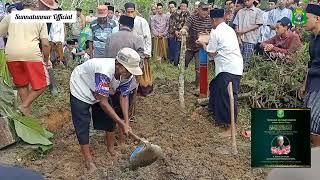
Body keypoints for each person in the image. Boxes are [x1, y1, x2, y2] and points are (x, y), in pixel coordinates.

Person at [70, 48, 142, 171]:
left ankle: (111, 149)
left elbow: (124, 97)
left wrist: (126, 122)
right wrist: (121, 123)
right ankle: (89, 161)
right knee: (82, 123)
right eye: (128, 70)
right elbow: (103, 102)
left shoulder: (127, 75)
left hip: (101, 91)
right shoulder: (104, 70)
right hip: (82, 86)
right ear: (119, 65)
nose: (130, 73)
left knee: (110, 119)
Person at [197, 8, 243, 137]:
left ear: (213, 20)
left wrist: (203, 45)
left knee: (228, 97)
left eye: (211, 21)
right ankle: (215, 115)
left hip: (228, 68)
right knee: (215, 87)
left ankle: (231, 128)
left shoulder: (216, 32)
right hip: (235, 65)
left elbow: (211, 53)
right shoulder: (229, 29)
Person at [0, 0, 50, 116]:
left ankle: (27, 116)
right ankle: (24, 106)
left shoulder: (11, 16)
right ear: (35, 5)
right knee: (44, 83)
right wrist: (46, 60)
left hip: (11, 54)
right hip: (31, 54)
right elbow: (46, 44)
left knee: (22, 84)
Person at [299, 3, 320, 146]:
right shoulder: (312, 38)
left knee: (315, 118)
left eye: (306, 18)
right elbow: (311, 63)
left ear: (317, 19)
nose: (303, 22)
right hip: (313, 81)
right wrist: (304, 84)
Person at [180, 2, 212, 88]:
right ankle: (181, 82)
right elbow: (186, 26)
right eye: (203, 10)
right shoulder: (192, 18)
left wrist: (208, 35)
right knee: (182, 64)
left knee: (200, 67)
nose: (205, 12)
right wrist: (184, 30)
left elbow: (213, 33)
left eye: (206, 10)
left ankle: (199, 86)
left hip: (201, 47)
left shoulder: (210, 20)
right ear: (198, 9)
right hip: (190, 46)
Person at [125, 2, 153, 96]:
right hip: (130, 49)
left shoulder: (142, 21)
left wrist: (147, 51)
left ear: (135, 11)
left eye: (132, 11)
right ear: (125, 12)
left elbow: (147, 36)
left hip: (142, 49)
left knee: (143, 69)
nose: (130, 14)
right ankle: (132, 89)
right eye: (128, 12)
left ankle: (145, 89)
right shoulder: (123, 21)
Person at [233, 0, 263, 68]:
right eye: (245, 0)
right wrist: (238, 35)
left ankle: (244, 75)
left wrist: (243, 31)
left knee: (247, 61)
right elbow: (236, 24)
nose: (246, 2)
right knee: (237, 59)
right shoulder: (240, 11)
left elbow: (257, 25)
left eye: (248, 0)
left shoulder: (258, 11)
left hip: (250, 39)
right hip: (240, 39)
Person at [168, 0, 190, 65]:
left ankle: (184, 64)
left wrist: (185, 32)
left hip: (185, 35)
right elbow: (172, 23)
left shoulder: (189, 15)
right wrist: (175, 31)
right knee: (177, 50)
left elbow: (190, 25)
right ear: (180, 6)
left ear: (187, 7)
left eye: (184, 6)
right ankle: (175, 63)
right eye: (182, 6)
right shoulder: (175, 14)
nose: (183, 7)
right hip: (177, 35)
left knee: (184, 50)